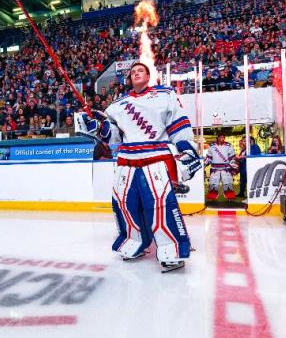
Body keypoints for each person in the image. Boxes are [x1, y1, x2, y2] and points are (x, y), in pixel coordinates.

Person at [81, 61, 201, 273]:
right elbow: (113, 136)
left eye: (140, 71)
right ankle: (134, 242)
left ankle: (172, 249)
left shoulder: (165, 95)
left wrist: (187, 149)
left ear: (149, 75)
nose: (136, 73)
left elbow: (179, 124)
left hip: (155, 158)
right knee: (125, 205)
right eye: (133, 72)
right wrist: (98, 127)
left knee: (161, 206)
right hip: (126, 160)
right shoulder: (118, 105)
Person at [204, 133, 236, 200]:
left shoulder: (229, 145)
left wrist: (234, 168)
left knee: (228, 183)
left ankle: (229, 197)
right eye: (220, 137)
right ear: (217, 137)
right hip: (215, 168)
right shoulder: (212, 146)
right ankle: (212, 196)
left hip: (226, 168)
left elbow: (232, 157)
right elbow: (209, 157)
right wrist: (204, 164)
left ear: (224, 138)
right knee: (213, 183)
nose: (221, 139)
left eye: (223, 137)